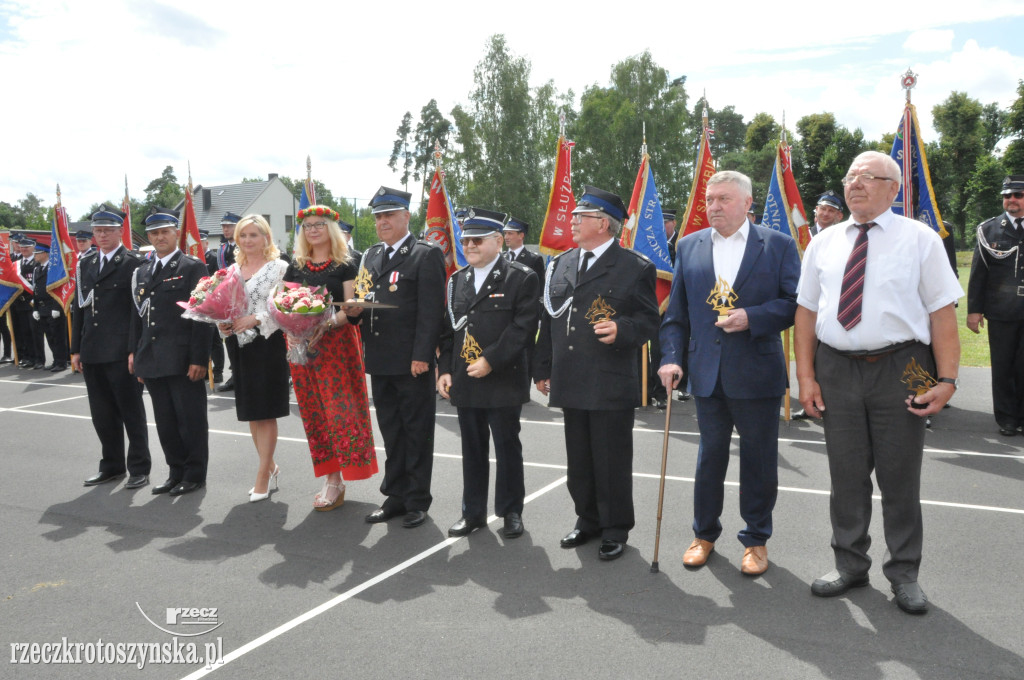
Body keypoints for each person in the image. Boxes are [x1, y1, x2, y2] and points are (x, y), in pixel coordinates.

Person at [795, 151, 962, 615]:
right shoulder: (822, 243)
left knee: (899, 476)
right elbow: (806, 311)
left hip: (903, 366)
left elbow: (942, 313)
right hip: (836, 368)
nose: (856, 184)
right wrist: (805, 376)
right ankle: (850, 565)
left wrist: (947, 380)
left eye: (870, 176)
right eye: (850, 176)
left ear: (894, 188)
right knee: (845, 475)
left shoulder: (920, 240)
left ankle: (904, 572)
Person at [658, 170, 800, 576]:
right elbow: (677, 314)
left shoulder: (777, 245)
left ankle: (756, 540)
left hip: (756, 371)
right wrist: (671, 356)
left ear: (747, 203)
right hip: (706, 372)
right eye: (709, 199)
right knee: (709, 458)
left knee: (758, 460)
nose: (714, 207)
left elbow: (795, 303)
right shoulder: (689, 246)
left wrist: (752, 317)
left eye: (723, 199)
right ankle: (703, 534)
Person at [534, 185, 659, 561]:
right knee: (579, 459)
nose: (572, 221)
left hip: (608, 378)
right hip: (570, 375)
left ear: (603, 224)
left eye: (580, 216)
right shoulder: (561, 263)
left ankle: (615, 527)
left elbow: (649, 321)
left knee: (610, 460)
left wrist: (623, 329)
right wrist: (541, 366)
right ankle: (586, 520)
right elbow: (549, 317)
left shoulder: (634, 267)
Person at [438, 208, 539, 540]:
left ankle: (511, 511)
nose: (469, 246)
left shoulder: (520, 277)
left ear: (498, 241)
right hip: (465, 378)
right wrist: (445, 370)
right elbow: (449, 330)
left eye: (477, 240)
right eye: (466, 240)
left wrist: (491, 360)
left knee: (507, 446)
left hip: (503, 378)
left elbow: (523, 327)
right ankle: (473, 513)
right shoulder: (457, 280)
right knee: (472, 447)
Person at [349, 186, 446, 528]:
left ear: (407, 216)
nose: (382, 222)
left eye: (389, 215)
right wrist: (348, 310)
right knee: (391, 431)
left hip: (411, 363)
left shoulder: (425, 254)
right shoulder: (371, 256)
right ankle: (395, 496)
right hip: (379, 359)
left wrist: (422, 355)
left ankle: (417, 499)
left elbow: (431, 312)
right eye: (378, 217)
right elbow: (358, 302)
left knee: (416, 431)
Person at [284, 206, 378, 510]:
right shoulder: (295, 265)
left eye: (319, 225)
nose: (312, 230)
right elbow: (285, 304)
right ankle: (331, 477)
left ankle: (343, 476)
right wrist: (293, 329)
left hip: (337, 347)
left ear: (331, 229)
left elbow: (351, 306)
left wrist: (325, 324)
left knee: (341, 411)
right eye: (308, 226)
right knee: (315, 413)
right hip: (303, 347)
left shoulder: (347, 264)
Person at [129, 209, 212, 495]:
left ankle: (194, 474)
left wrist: (200, 359)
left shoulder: (192, 267)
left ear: (176, 233)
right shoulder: (141, 270)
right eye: (154, 233)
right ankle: (175, 471)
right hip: (152, 358)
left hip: (182, 359)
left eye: (165, 231)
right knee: (165, 422)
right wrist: (136, 355)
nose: (159, 237)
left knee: (190, 420)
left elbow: (203, 315)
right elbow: (137, 317)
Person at [72, 205, 151, 489]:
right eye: (97, 230)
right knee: (102, 414)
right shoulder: (86, 263)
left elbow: (137, 311)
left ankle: (139, 467)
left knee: (131, 412)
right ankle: (112, 466)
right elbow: (78, 309)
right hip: (93, 350)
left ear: (120, 231)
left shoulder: (133, 262)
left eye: (107, 230)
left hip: (121, 351)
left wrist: (134, 349)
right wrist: (76, 349)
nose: (102, 235)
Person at [217, 215, 290, 502]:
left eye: (254, 235)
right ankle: (270, 466)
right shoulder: (231, 269)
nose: (248, 240)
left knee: (265, 410)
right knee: (250, 410)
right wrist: (221, 323)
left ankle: (262, 476)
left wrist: (256, 319)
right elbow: (224, 305)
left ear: (266, 238)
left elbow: (285, 307)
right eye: (243, 235)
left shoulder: (279, 268)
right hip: (238, 344)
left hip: (267, 343)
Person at [967, 175, 1024, 436]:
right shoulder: (988, 230)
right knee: (1003, 366)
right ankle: (1008, 419)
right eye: (1007, 195)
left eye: (1018, 195)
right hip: (1001, 311)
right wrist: (973, 310)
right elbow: (979, 273)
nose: (1011, 200)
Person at [30, 242, 69, 372]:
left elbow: (58, 289)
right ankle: (55, 360)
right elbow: (35, 290)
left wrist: (57, 307)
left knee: (57, 336)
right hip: (41, 307)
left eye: (38, 253)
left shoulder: (53, 270)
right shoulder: (37, 268)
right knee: (49, 336)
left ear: (45, 254)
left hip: (52, 306)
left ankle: (62, 362)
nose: (35, 255)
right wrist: (35, 308)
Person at [216, 212, 241, 392]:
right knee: (231, 338)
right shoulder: (222, 249)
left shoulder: (243, 246)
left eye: (229, 226)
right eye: (224, 226)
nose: (226, 229)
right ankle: (235, 374)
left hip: (244, 297)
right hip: (228, 298)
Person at [200, 229, 225, 384]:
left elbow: (219, 280)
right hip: (199, 304)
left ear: (206, 243)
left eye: (200, 242)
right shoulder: (192, 258)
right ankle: (204, 368)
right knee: (202, 338)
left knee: (215, 339)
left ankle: (218, 371)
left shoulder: (214, 258)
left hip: (213, 303)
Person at [12, 239, 39, 368]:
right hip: (19, 303)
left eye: (27, 247)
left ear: (33, 247)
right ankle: (27, 357)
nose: (24, 249)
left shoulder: (37, 262)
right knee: (24, 332)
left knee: (34, 332)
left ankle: (37, 358)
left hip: (32, 303)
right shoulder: (16, 264)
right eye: (22, 247)